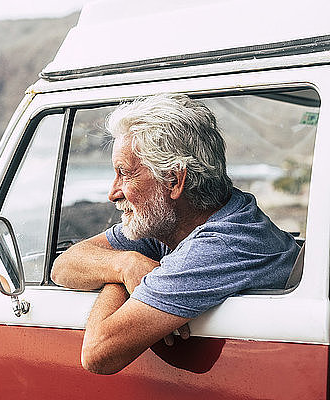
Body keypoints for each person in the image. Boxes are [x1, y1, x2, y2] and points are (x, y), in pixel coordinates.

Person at [50, 93, 299, 375]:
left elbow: (97, 354)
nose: (112, 192)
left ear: (174, 180)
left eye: (125, 173)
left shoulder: (223, 244)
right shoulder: (173, 219)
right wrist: (125, 266)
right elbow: (63, 266)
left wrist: (122, 280)